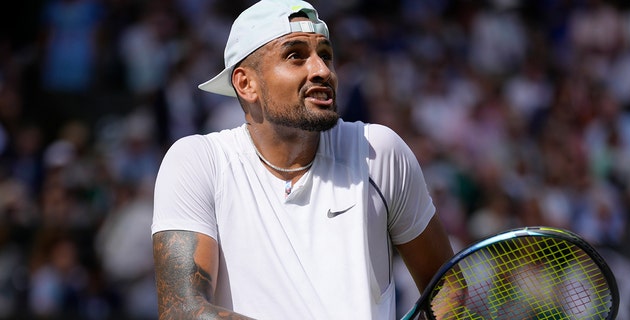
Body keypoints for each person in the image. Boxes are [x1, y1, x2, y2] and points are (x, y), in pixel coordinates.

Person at [151, 0, 455, 319]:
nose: (322, 70)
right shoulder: (198, 162)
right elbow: (181, 312)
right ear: (245, 83)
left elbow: (447, 286)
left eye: (325, 55)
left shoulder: (378, 151)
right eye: (295, 55)